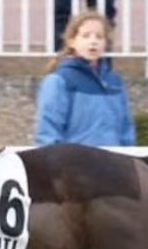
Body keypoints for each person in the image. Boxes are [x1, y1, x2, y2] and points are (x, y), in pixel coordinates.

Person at [34, 10, 135, 148]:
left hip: (113, 163)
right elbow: (48, 132)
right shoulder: (59, 81)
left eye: (99, 37)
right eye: (85, 36)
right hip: (76, 164)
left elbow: (126, 131)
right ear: (72, 41)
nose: (93, 41)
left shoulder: (115, 83)